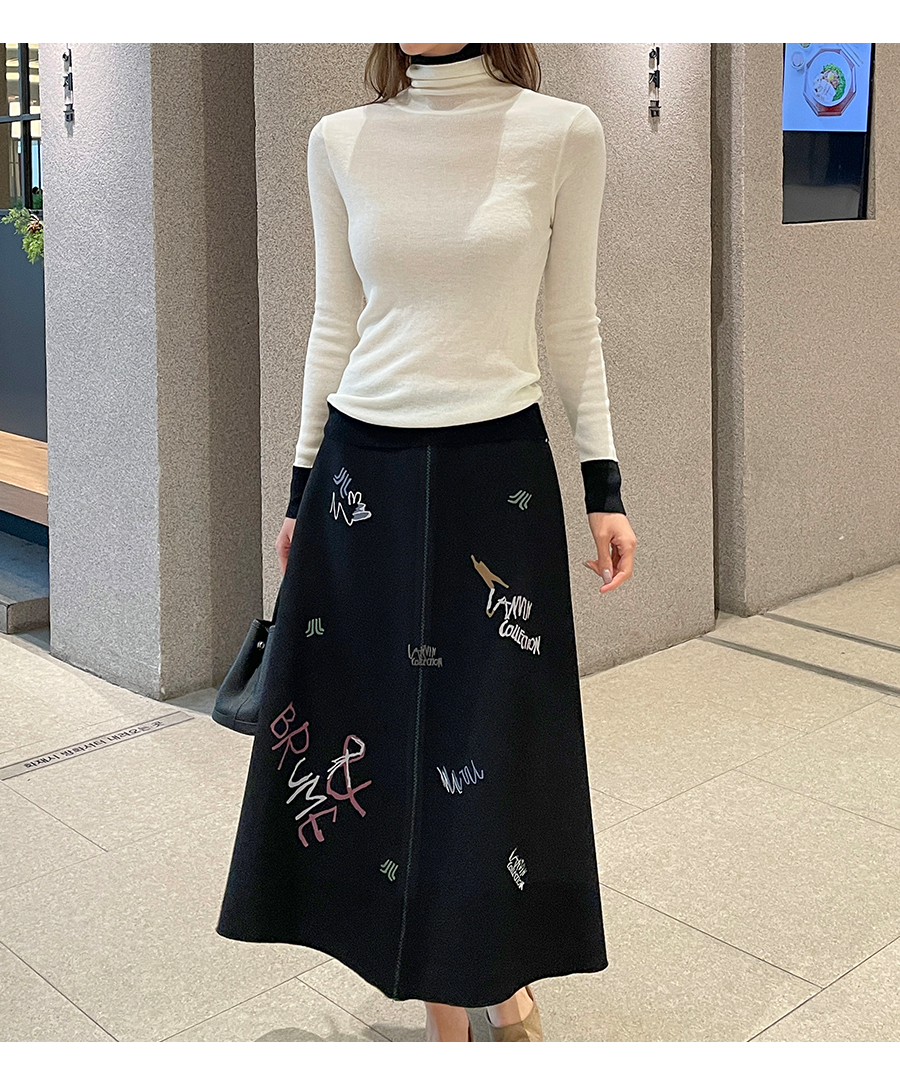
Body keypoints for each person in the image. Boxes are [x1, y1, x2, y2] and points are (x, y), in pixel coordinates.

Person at [216, 42, 637, 1043]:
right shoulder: (340, 140)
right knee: (387, 741)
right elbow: (335, 319)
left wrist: (604, 486)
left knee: (485, 742)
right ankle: (453, 1021)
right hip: (365, 476)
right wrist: (301, 488)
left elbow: (570, 321)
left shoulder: (561, 133)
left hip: (498, 479)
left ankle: (498, 972)